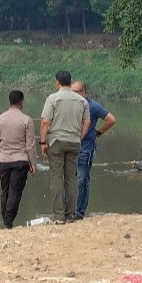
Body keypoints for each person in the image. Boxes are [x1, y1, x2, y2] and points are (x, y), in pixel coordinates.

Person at [40, 70, 90, 224]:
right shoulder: (82, 101)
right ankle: (70, 215)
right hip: (74, 142)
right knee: (71, 178)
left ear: (57, 82)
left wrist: (43, 142)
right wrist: (79, 137)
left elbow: (45, 122)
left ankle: (59, 215)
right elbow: (87, 122)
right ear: (70, 81)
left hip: (57, 141)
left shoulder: (53, 99)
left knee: (56, 177)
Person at [0, 91, 37, 228]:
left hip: (4, 161)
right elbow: (30, 145)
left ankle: (6, 218)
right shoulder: (27, 120)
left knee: (5, 190)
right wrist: (33, 163)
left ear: (9, 102)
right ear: (22, 102)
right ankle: (8, 220)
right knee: (15, 191)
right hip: (21, 161)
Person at [71, 81, 116, 220]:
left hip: (86, 149)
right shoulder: (69, 105)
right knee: (69, 180)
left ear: (84, 92)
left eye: (76, 92)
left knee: (82, 180)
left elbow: (111, 119)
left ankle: (79, 212)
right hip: (70, 148)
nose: (73, 95)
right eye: (71, 92)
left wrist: (99, 132)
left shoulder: (93, 106)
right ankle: (68, 209)